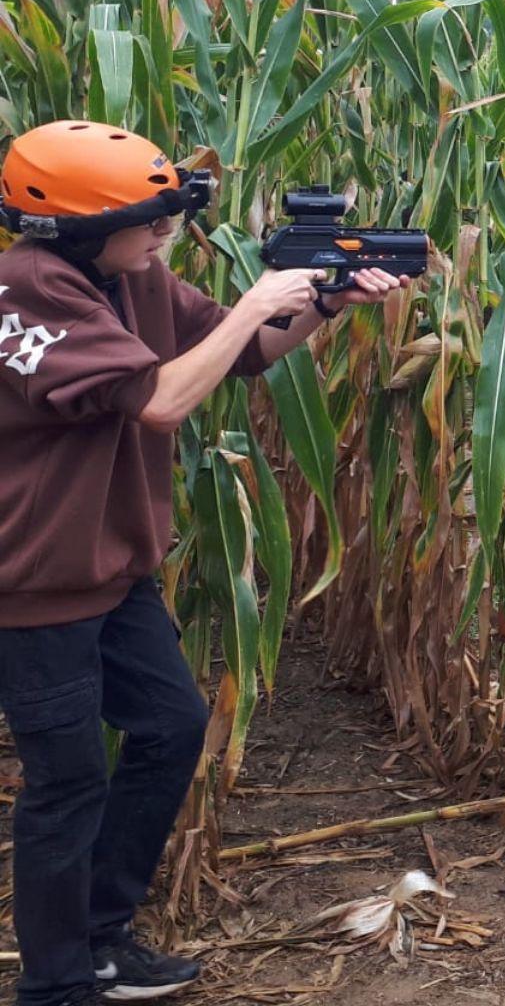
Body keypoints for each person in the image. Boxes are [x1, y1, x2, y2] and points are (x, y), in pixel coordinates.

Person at [0, 120, 408, 1006]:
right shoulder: (24, 292)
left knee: (172, 726)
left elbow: (246, 354)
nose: (165, 233)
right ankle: (57, 984)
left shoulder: (131, 273)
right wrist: (262, 299)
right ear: (71, 225)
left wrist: (324, 305)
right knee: (65, 785)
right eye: (149, 218)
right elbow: (160, 401)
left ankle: (103, 937)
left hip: (111, 571)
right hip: (33, 585)